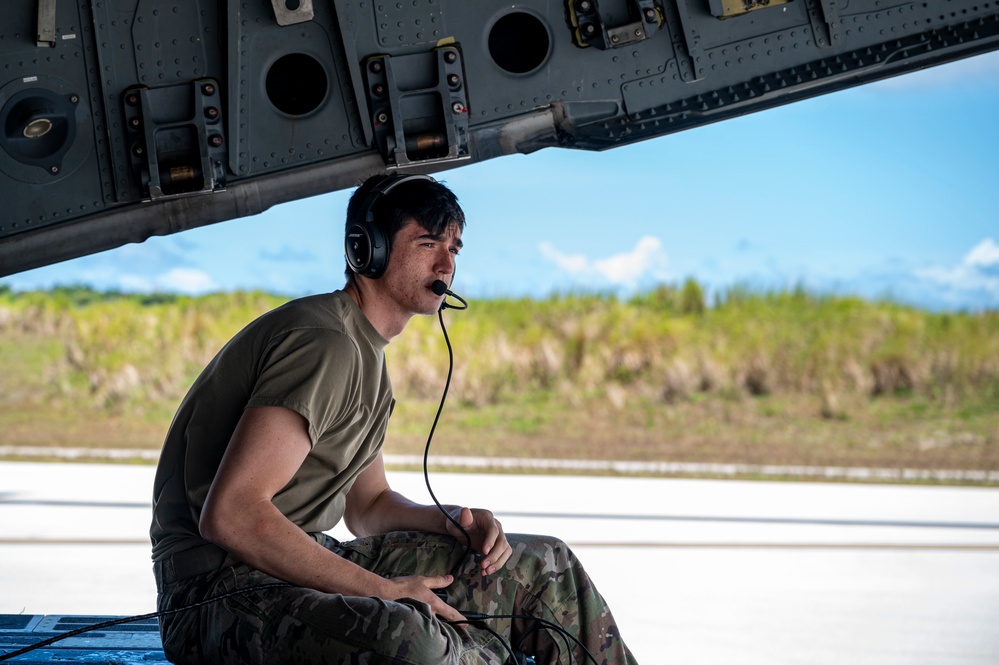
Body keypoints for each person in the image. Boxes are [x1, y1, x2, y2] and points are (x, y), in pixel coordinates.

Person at [149, 173, 638, 664]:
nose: (446, 263)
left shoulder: (366, 357)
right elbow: (232, 514)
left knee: (543, 565)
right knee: (411, 640)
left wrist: (452, 523)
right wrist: (382, 588)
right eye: (428, 242)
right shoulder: (326, 345)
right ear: (369, 250)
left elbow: (369, 506)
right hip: (215, 593)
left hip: (291, 563)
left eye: (455, 248)